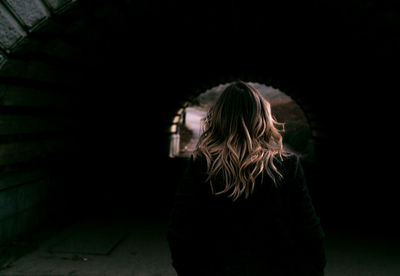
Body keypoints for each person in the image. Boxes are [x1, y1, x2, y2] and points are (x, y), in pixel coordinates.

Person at [167, 81, 326, 276]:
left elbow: (180, 232)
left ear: (218, 118)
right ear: (263, 118)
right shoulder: (286, 166)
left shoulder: (201, 165)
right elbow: (310, 234)